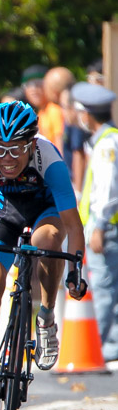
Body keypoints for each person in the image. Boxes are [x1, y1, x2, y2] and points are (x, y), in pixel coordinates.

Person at [0, 101, 87, 410]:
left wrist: (76, 270)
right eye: (0, 149)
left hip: (45, 210)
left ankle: (46, 316)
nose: (7, 159)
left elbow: (73, 225)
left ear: (31, 143)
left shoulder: (50, 159)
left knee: (47, 243)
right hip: (3, 214)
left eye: (15, 150)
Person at [73, 82, 118, 362]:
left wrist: (99, 225)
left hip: (106, 228)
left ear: (87, 114)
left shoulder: (107, 144)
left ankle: (100, 348)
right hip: (104, 227)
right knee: (107, 287)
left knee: (103, 289)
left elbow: (108, 189)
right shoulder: (104, 141)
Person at [22, 64, 64, 152]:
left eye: (38, 83)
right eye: (29, 85)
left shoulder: (54, 109)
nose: (34, 89)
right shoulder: (40, 113)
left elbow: (60, 145)